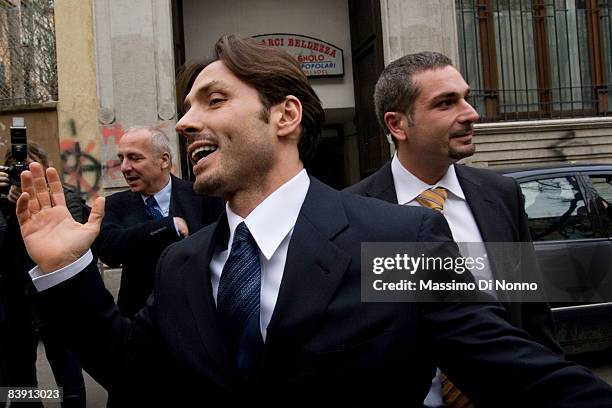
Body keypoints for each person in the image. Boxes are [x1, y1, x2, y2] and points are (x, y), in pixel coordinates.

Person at [14, 35, 612, 406]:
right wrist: (67, 270)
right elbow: (133, 372)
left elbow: (517, 372)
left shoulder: (392, 239)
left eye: (213, 100)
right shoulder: (182, 265)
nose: (188, 122)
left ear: (285, 116)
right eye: (186, 110)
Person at [346, 51, 561, 407]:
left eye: (467, 98)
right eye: (446, 103)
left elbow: (534, 316)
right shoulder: (353, 213)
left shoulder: (500, 194)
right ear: (398, 125)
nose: (471, 114)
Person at [93, 126, 223, 316]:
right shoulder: (114, 205)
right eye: (122, 159)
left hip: (199, 313)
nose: (125, 168)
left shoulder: (203, 195)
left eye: (134, 158)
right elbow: (110, 252)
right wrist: (167, 226)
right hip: (141, 320)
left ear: (164, 160)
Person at [0, 142, 87, 408]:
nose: (24, 176)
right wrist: (7, 208)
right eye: (18, 170)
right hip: (16, 311)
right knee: (21, 388)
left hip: (59, 306)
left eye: (31, 168)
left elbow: (74, 246)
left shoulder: (66, 198)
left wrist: (41, 204)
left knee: (69, 384)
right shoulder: (3, 204)